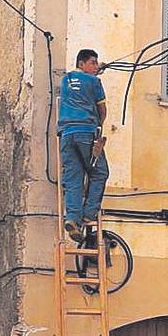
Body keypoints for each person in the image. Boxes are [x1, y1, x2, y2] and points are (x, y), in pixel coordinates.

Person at [58, 49, 109, 242]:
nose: (96, 66)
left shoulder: (65, 80)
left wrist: (96, 71)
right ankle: (88, 214)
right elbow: (102, 110)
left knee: (73, 179)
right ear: (82, 64)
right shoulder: (95, 82)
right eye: (93, 63)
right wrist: (99, 126)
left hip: (66, 135)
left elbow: (80, 84)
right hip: (86, 132)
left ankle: (72, 218)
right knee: (99, 172)